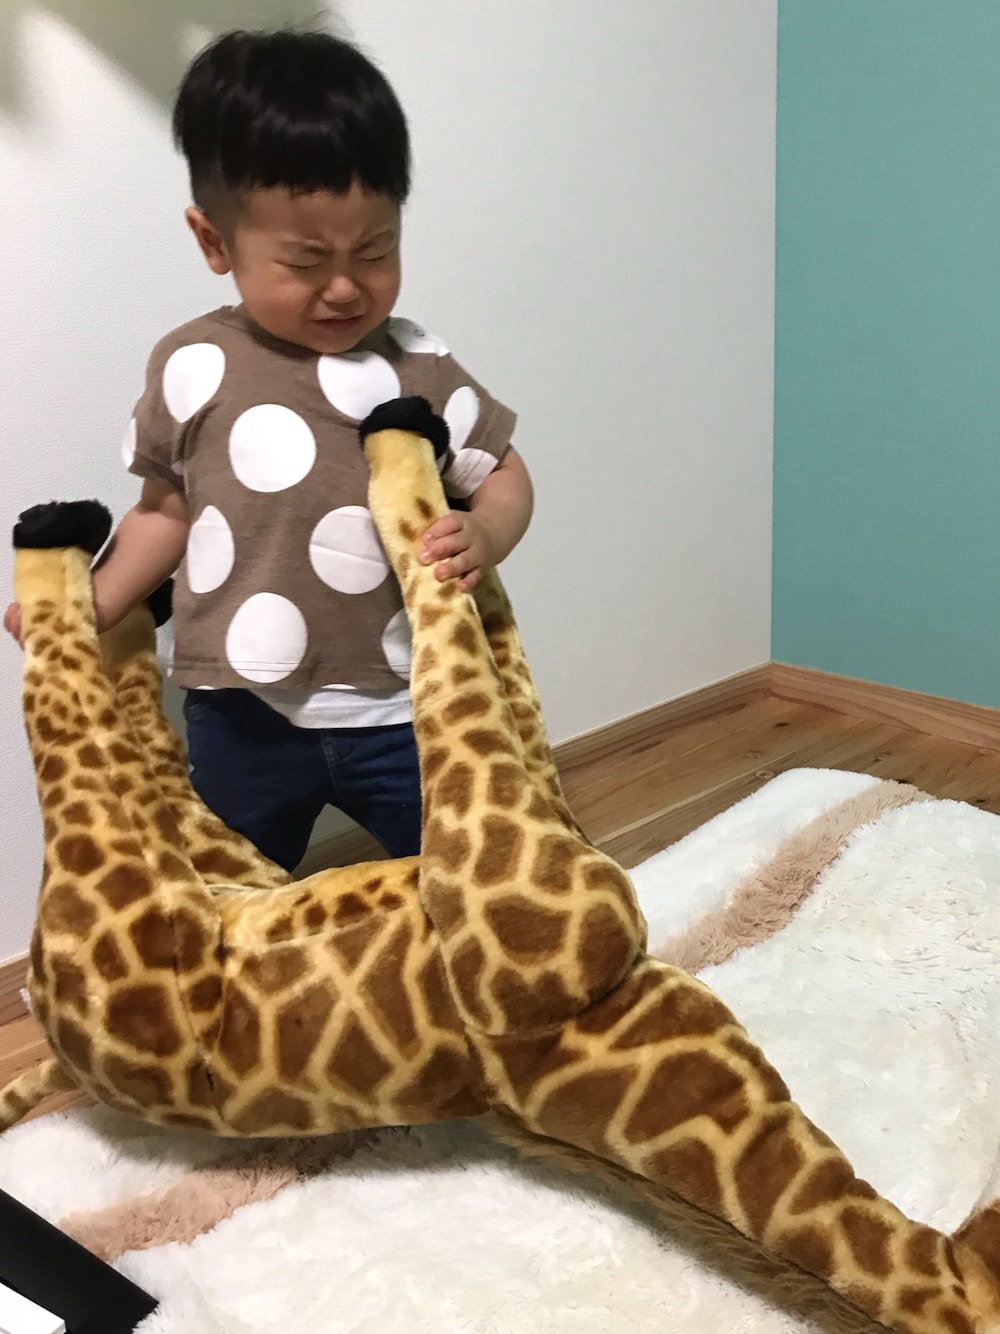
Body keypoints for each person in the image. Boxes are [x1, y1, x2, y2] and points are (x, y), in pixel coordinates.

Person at [4, 28, 533, 872]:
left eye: (376, 249)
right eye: (306, 261)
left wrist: (489, 532)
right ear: (215, 242)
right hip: (239, 712)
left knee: (469, 873)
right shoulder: (190, 365)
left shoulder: (419, 363)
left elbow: (501, 472)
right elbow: (164, 513)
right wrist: (89, 606)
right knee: (235, 892)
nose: (346, 286)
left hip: (405, 706)